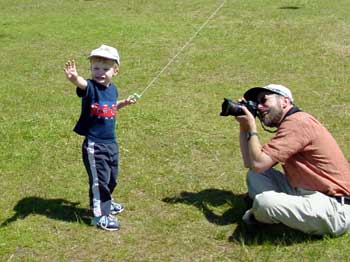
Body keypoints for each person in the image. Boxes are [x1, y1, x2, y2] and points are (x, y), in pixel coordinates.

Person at [234, 84, 350, 236]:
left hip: (335, 207)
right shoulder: (291, 123)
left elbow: (258, 163)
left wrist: (252, 127)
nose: (260, 108)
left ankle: (257, 215)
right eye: (257, 104)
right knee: (256, 175)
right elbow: (252, 164)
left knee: (265, 202)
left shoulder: (298, 123)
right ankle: (269, 213)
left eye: (264, 100)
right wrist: (244, 127)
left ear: (285, 101)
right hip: (309, 193)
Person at [64, 44, 136, 231]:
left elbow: (110, 106)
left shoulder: (113, 90)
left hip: (111, 142)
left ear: (115, 71)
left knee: (112, 177)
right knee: (100, 180)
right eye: (96, 68)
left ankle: (107, 201)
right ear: (91, 69)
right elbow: (83, 84)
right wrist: (74, 79)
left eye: (106, 69)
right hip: (95, 145)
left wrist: (123, 103)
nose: (100, 72)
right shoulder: (91, 87)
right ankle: (100, 216)